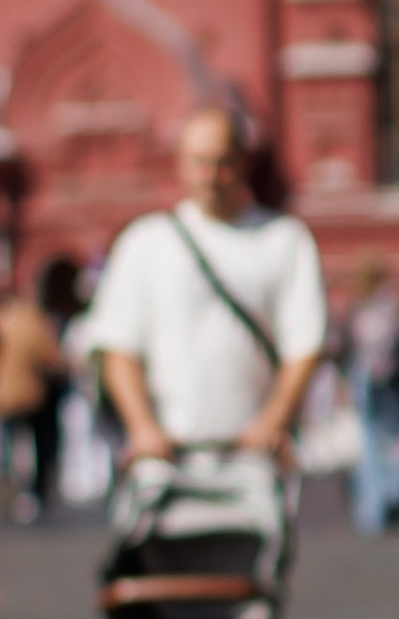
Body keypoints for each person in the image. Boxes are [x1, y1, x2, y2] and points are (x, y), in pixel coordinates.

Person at [83, 109, 327, 477]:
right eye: (198, 163)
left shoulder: (284, 240)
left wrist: (272, 420)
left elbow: (304, 343)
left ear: (243, 163)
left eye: (222, 163)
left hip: (252, 459)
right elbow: (118, 348)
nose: (210, 177)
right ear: (178, 164)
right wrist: (143, 426)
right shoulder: (145, 242)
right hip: (168, 459)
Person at [0, 256, 84, 522]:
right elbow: (49, 355)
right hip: (31, 392)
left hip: (2, 394)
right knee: (37, 446)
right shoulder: (33, 321)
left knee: (8, 446)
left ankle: (7, 486)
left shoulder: (0, 320)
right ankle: (32, 493)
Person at [337, 251, 399, 536]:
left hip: (363, 375)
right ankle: (394, 495)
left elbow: (344, 341)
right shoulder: (389, 299)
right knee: (394, 437)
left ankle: (372, 508)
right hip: (391, 375)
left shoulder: (356, 301)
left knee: (369, 441)